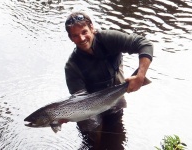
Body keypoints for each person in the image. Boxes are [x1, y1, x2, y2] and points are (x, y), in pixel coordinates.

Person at [64, 12, 153, 150]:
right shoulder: (72, 66)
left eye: (84, 32)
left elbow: (144, 44)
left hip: (115, 98)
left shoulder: (108, 39)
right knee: (92, 143)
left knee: (116, 141)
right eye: (75, 35)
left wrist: (140, 76)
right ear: (71, 38)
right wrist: (67, 116)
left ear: (92, 28)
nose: (81, 38)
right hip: (88, 109)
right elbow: (79, 101)